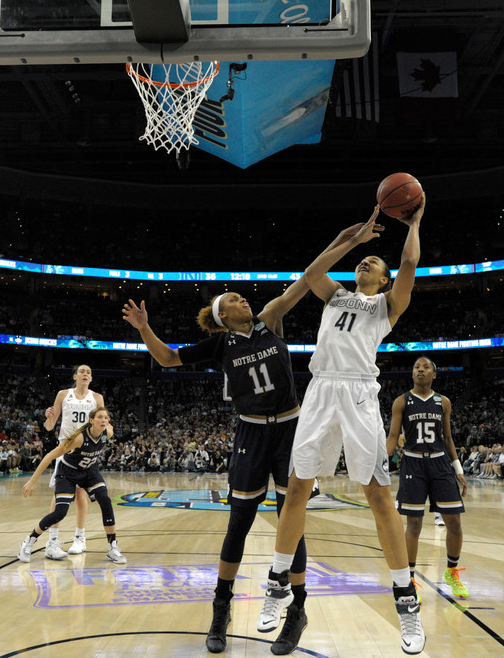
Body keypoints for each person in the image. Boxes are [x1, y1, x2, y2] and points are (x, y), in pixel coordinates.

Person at [124, 243, 346, 654]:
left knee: (289, 519)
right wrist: (143, 328)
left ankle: (297, 610)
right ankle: (220, 608)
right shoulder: (220, 345)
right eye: (235, 299)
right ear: (223, 315)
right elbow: (169, 357)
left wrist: (346, 241)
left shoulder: (270, 319)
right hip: (251, 434)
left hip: (291, 430)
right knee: (238, 523)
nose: (244, 299)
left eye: (243, 296)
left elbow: (304, 281)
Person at [258, 202, 427, 655]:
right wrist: (350, 240)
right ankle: (277, 583)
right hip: (319, 391)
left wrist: (413, 223)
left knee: (377, 496)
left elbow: (409, 263)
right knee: (296, 490)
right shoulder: (335, 294)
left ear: (384, 279)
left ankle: (405, 600)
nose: (366, 262)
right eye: (363, 260)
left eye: (375, 262)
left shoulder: (386, 306)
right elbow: (312, 273)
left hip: (356, 395)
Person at [387, 356, 469, 602]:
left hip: (440, 462)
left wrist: (458, 468)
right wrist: (382, 460)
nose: (420, 370)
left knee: (454, 522)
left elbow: (447, 437)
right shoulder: (402, 401)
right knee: (414, 525)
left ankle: (451, 572)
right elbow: (392, 435)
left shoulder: (443, 401)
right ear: (412, 374)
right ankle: (409, 579)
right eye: (416, 367)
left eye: (426, 368)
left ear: (434, 374)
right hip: (413, 462)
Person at [18, 407, 126, 564]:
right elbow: (49, 456)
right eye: (100, 417)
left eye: (106, 418)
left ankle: (112, 548)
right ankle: (29, 541)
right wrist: (32, 481)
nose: (104, 420)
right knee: (60, 512)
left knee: (105, 500)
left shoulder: (107, 433)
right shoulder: (79, 438)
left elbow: (109, 428)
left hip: (89, 471)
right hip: (68, 473)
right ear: (91, 420)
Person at [41, 364, 105, 557]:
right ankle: (52, 540)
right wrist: (48, 417)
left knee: (80, 493)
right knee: (59, 494)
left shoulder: (97, 398)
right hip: (65, 448)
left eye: (89, 372)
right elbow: (50, 427)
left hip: (85, 449)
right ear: (75, 376)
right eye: (82, 371)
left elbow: (103, 424)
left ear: (91, 378)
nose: (85, 374)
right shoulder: (63, 394)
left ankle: (80, 538)